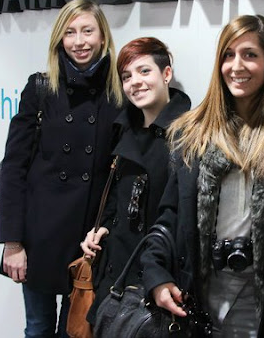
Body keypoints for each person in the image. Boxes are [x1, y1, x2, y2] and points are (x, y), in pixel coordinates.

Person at [141, 14, 264, 337]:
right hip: (199, 298)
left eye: (250, 54)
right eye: (228, 55)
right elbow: (171, 216)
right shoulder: (192, 133)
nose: (237, 66)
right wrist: (156, 276)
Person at [0, 0, 124, 338]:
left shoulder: (118, 93)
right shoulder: (40, 88)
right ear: (59, 39)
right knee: (38, 329)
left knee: (75, 331)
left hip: (86, 241)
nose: (79, 41)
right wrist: (12, 243)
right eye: (70, 32)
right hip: (38, 235)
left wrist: (105, 230)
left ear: (102, 36)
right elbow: (13, 167)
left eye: (87, 31)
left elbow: (118, 176)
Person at [78, 37, 191, 327]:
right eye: (127, 76)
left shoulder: (188, 135)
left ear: (166, 74)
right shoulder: (123, 128)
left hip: (157, 279)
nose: (134, 83)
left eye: (144, 71)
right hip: (115, 272)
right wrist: (102, 226)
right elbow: (117, 192)